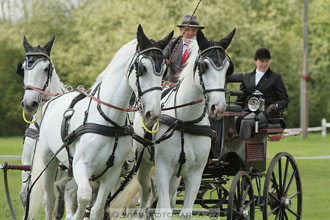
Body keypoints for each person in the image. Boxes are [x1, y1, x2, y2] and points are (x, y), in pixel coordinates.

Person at [235, 48, 289, 139]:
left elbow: (284, 100)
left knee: (246, 122)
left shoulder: (275, 78)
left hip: (266, 112)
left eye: (267, 61)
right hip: (247, 110)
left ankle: (243, 148)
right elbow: (241, 98)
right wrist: (233, 109)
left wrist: (275, 105)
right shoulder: (247, 77)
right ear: (255, 61)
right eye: (262, 61)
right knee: (234, 119)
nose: (264, 64)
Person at [163, 15, 204, 83]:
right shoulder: (172, 43)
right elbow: (162, 57)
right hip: (172, 85)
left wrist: (184, 75)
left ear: (198, 32)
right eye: (187, 30)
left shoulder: (202, 46)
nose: (190, 33)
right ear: (181, 30)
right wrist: (166, 61)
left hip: (194, 85)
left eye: (193, 30)